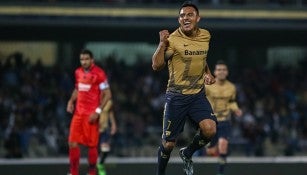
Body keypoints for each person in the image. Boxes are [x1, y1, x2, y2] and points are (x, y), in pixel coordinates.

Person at [151, 1, 217, 175]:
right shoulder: (172, 40)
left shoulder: (206, 35)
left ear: (198, 18)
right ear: (179, 19)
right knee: (168, 144)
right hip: (176, 96)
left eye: (189, 15)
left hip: (197, 95)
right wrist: (161, 43)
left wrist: (207, 73)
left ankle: (187, 153)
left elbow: (201, 58)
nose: (185, 18)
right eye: (182, 16)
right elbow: (156, 66)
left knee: (210, 129)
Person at [66, 49, 112, 175]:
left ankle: (92, 172)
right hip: (78, 114)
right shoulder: (78, 72)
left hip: (91, 115)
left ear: (92, 60)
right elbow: (77, 88)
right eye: (82, 59)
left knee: (92, 146)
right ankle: (73, 172)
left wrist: (97, 111)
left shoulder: (99, 74)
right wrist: (70, 101)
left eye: (86, 59)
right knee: (72, 143)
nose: (84, 62)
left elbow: (108, 94)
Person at [205, 60, 242, 175]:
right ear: (215, 72)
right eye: (219, 69)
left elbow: (232, 101)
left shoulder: (231, 87)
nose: (221, 72)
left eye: (224, 69)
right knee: (211, 152)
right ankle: (215, 149)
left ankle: (220, 172)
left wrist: (236, 109)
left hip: (225, 120)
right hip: (211, 121)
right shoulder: (207, 86)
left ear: (227, 72)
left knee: (223, 145)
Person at [97, 100, 117, 175]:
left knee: (105, 149)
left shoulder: (108, 102)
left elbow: (110, 112)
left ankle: (100, 165)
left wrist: (113, 124)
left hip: (104, 129)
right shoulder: (92, 98)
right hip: (93, 129)